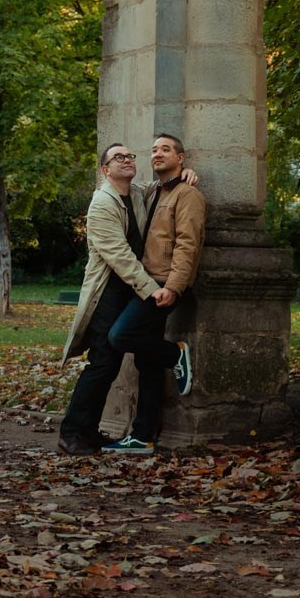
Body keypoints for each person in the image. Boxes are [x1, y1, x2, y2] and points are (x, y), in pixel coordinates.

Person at [57, 135, 204, 458]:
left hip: (135, 289)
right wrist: (154, 291)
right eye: (118, 158)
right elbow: (121, 257)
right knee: (103, 363)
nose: (127, 160)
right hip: (109, 291)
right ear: (105, 170)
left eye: (130, 156)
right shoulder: (102, 203)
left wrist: (187, 174)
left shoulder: (138, 194)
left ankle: (113, 432)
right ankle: (71, 433)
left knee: (126, 362)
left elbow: (169, 190)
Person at [101, 133, 205, 456]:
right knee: (147, 362)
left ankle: (174, 354)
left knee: (119, 336)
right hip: (146, 282)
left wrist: (174, 287)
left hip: (163, 285)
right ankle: (143, 435)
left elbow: (189, 243)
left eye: (166, 150)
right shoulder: (151, 193)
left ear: (181, 157)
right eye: (154, 150)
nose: (157, 154)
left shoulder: (188, 195)